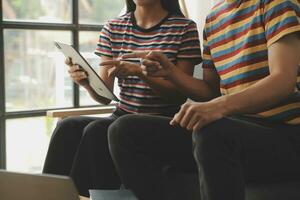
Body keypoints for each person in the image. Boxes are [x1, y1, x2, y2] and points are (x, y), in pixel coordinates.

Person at [107, 0, 300, 199]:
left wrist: (218, 107)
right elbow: (210, 90)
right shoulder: (214, 17)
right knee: (124, 130)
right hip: (236, 127)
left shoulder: (277, 4)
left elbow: (283, 81)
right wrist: (171, 72)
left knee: (212, 131)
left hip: (284, 134)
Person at [43, 0, 202, 197]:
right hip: (121, 115)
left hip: (164, 120)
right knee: (67, 128)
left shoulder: (184, 28)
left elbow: (178, 95)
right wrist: (85, 82)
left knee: (96, 131)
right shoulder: (114, 27)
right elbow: (105, 97)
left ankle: (84, 196)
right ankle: (47, 195)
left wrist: (140, 72)